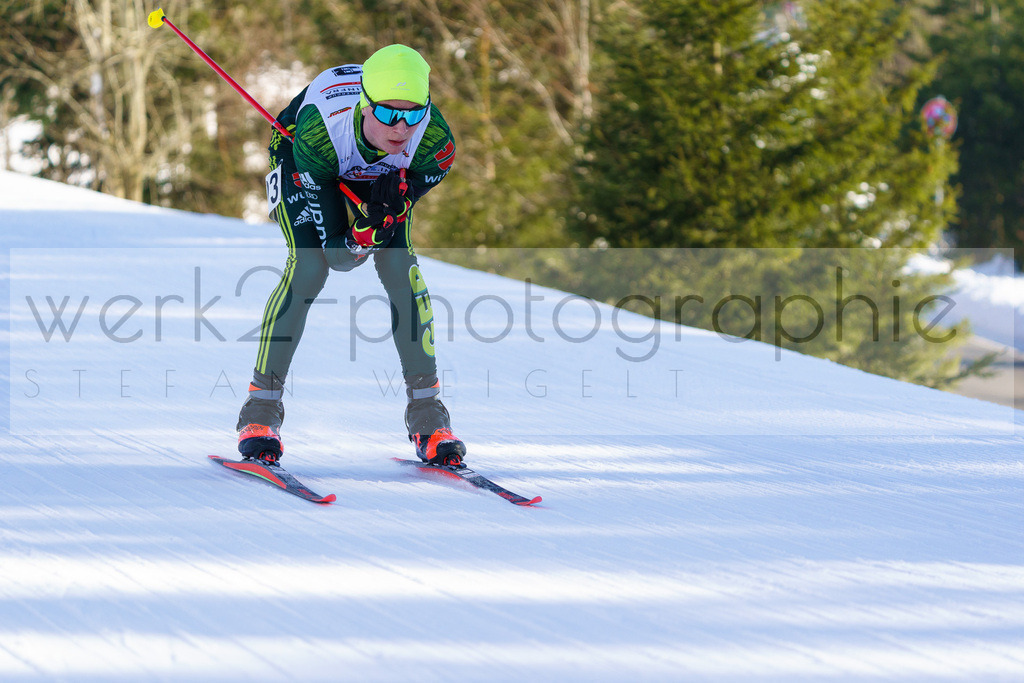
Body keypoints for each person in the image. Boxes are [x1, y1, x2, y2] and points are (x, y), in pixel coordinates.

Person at [235, 44, 464, 468]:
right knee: (309, 269)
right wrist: (361, 234)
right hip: (305, 156)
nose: (401, 127)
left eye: (413, 113)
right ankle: (260, 412)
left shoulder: (434, 145)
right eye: (388, 113)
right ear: (364, 105)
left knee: (400, 266)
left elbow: (398, 202)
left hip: (381, 173)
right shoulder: (318, 136)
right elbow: (338, 255)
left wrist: (391, 209)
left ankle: (428, 416)